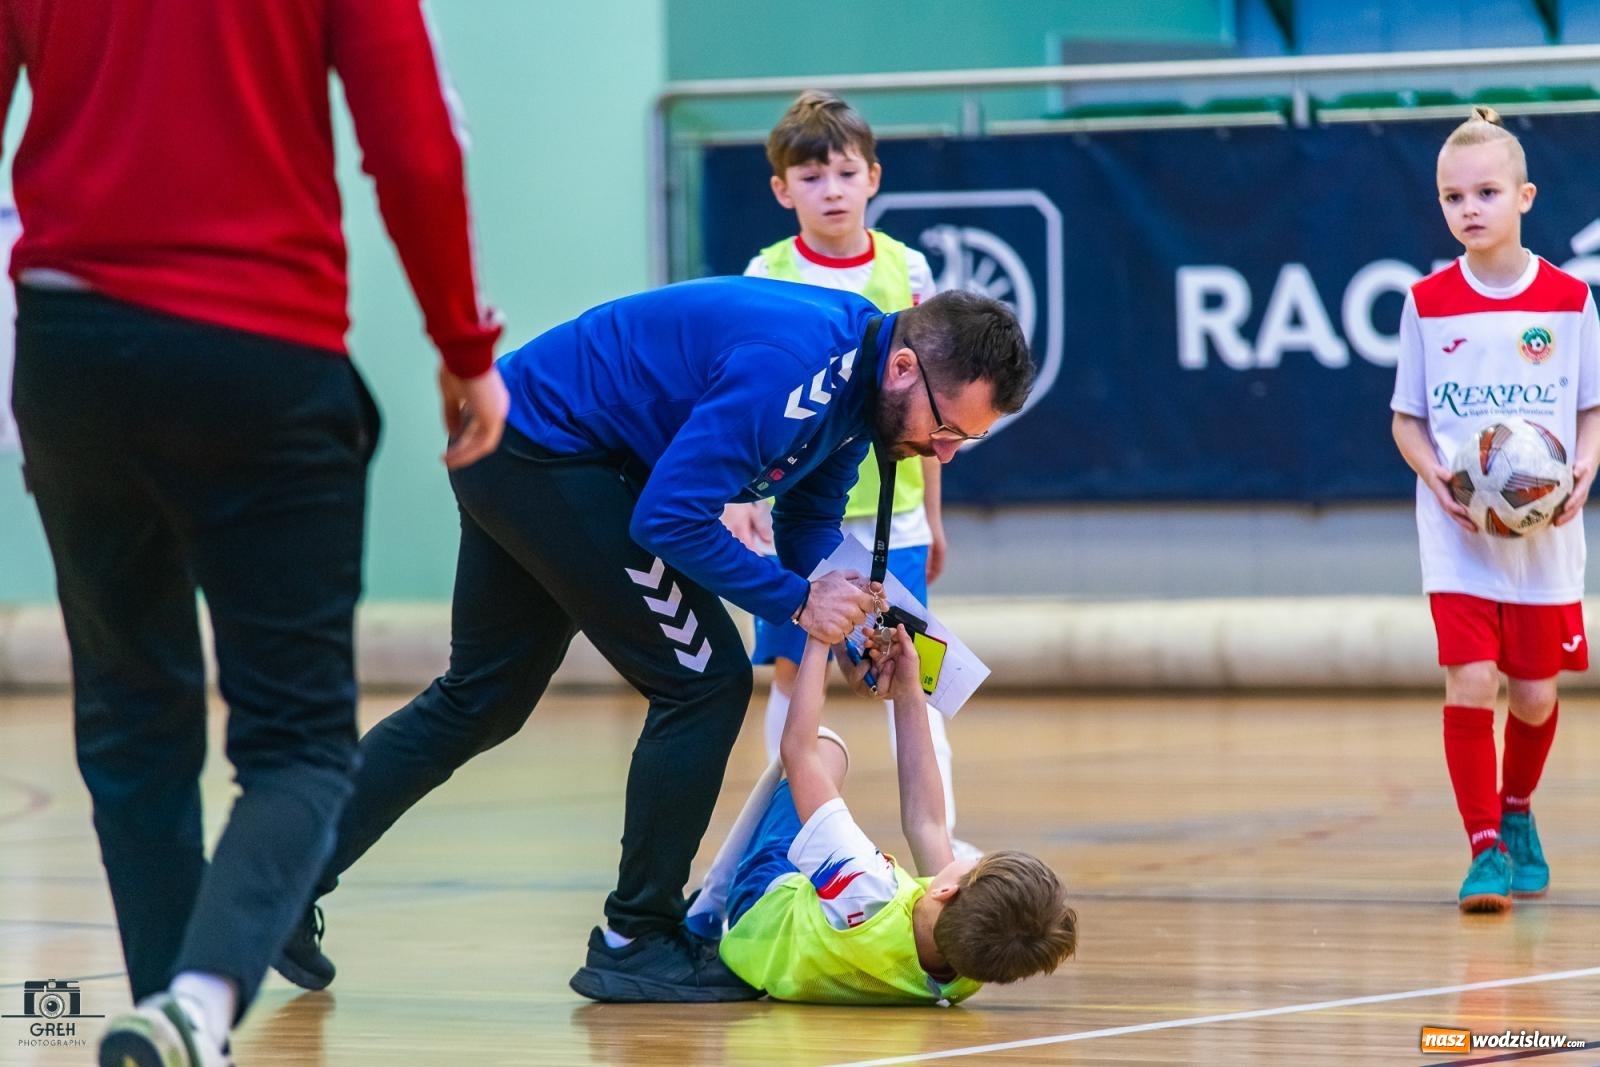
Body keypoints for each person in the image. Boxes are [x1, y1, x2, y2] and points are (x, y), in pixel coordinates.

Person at [271, 277, 1036, 1003]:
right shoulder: (798, 372)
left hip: (518, 441)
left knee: (480, 699)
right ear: (903, 368)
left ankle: (284, 880)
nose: (943, 453)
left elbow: (806, 524)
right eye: (945, 429)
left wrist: (855, 631)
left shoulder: (860, 391)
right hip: (549, 454)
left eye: (962, 441)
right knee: (706, 681)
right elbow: (669, 519)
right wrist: (802, 601)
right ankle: (636, 935)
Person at [2, 3, 508, 1063]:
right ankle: (198, 1001)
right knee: (298, 742)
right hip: (259, 352)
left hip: (68, 352)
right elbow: (416, 144)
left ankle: (171, 1022)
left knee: (130, 722)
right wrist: (463, 344)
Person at [721, 90, 976, 857]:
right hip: (793, 519)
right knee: (791, 668)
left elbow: (931, 410)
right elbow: (742, 398)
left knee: (914, 670)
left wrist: (932, 518)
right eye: (810, 177)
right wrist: (742, 500)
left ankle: (941, 842)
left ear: (873, 177)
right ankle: (786, 842)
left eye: (844, 172)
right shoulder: (766, 271)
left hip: (891, 520)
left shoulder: (908, 268)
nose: (830, 190)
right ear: (781, 189)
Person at [1390, 106, 1600, 913]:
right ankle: (1483, 847)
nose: (1469, 209)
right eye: (1453, 196)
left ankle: (1517, 810)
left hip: (1545, 540)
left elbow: (1590, 408)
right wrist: (1436, 475)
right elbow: (1406, 419)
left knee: (1535, 695)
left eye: (1485, 192)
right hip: (1460, 536)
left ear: (1525, 197)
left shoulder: (1569, 299)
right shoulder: (1427, 302)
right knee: (1471, 680)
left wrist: (1583, 468)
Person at [683, 625, 1077, 1004]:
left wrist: (819, 638)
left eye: (975, 862)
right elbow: (926, 822)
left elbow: (798, 751)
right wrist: (909, 691)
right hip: (790, 965)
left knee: (827, 751)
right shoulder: (961, 975)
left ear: (947, 891)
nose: (967, 858)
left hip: (755, 917)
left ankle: (709, 908)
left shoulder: (864, 885)